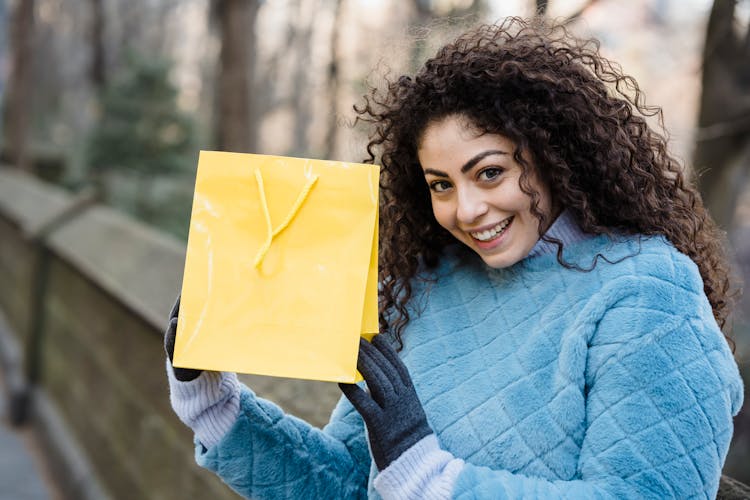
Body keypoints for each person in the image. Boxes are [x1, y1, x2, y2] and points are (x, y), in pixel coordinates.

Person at [164, 17, 744, 499]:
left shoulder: (649, 292)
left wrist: (430, 474)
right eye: (441, 184)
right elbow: (351, 484)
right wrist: (215, 405)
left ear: (554, 156)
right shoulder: (423, 288)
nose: (466, 209)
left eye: (489, 172)